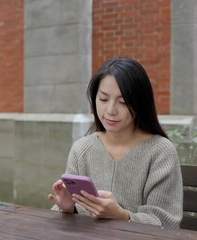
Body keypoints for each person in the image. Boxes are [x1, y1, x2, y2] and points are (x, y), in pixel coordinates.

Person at [47, 57, 183, 229]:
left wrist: (121, 215)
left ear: (140, 104)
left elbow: (167, 223)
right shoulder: (82, 149)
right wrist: (68, 208)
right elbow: (68, 217)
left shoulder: (160, 152)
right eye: (103, 99)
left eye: (123, 102)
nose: (110, 110)